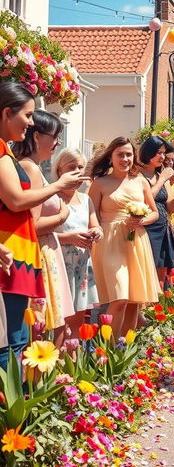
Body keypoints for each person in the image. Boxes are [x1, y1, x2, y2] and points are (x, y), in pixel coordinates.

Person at [0, 82, 85, 370]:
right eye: (27, 116)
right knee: (12, 340)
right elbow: (16, 200)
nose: (30, 122)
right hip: (12, 253)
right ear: (6, 113)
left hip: (20, 253)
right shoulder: (6, 157)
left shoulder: (7, 154)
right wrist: (59, 188)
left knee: (19, 336)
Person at [13, 110, 75, 342]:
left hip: (48, 248)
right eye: (55, 136)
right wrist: (63, 215)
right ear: (37, 136)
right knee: (45, 325)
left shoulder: (32, 166)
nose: (57, 143)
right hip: (39, 250)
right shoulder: (29, 168)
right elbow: (33, 223)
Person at [89, 137, 160, 339]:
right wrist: (95, 230)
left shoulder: (140, 181)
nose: (125, 158)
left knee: (133, 301)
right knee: (119, 299)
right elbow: (92, 213)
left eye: (129, 154)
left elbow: (154, 213)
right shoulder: (100, 183)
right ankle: (107, 351)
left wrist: (142, 221)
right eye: (120, 154)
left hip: (136, 240)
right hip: (109, 241)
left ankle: (124, 350)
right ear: (111, 157)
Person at [54, 149, 101, 337]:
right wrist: (69, 238)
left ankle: (73, 362)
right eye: (71, 167)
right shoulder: (51, 197)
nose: (77, 171)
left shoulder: (85, 199)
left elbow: (95, 225)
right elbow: (39, 233)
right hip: (60, 265)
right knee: (58, 323)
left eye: (80, 167)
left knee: (77, 321)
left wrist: (96, 232)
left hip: (81, 266)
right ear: (59, 170)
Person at [138, 136, 174, 287]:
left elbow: (170, 207)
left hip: (163, 226)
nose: (162, 157)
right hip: (147, 228)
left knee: (162, 265)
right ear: (148, 152)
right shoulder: (138, 175)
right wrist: (162, 179)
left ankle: (157, 305)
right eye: (158, 152)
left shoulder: (160, 176)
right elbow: (145, 199)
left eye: (163, 153)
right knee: (147, 267)